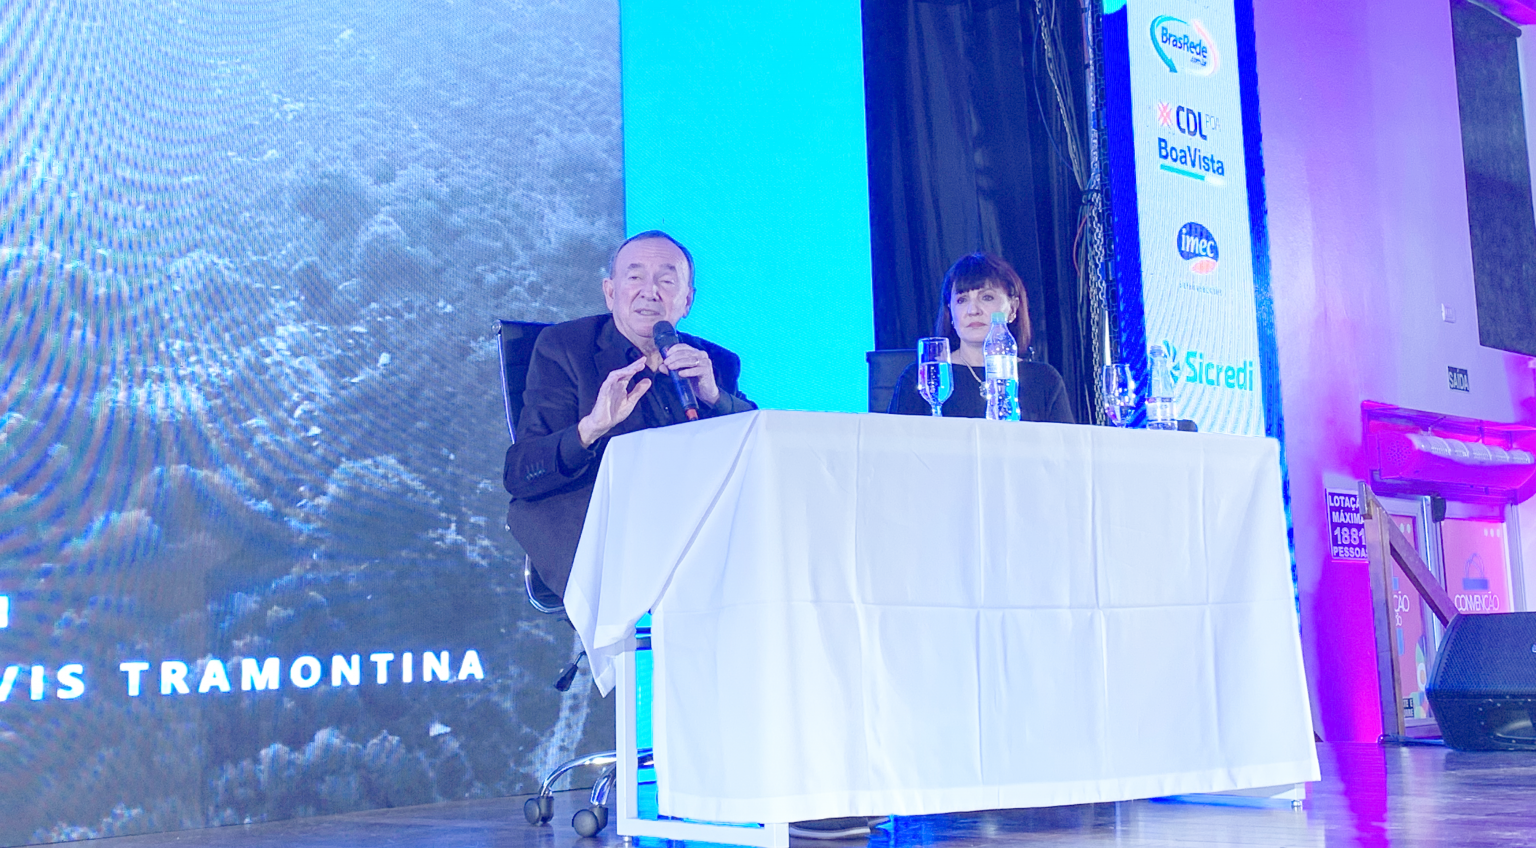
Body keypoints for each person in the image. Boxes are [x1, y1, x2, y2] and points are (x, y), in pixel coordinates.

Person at [504, 231, 755, 597]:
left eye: (666, 281)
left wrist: (715, 397)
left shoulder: (714, 362)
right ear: (610, 292)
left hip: (697, 530)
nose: (649, 291)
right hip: (606, 526)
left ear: (687, 300)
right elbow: (520, 473)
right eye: (635, 277)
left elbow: (758, 441)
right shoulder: (566, 349)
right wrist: (591, 428)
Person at [888, 252, 1074, 423]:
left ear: (1013, 308)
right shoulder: (922, 380)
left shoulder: (1044, 380)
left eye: (987, 297)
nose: (973, 310)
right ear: (950, 313)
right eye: (962, 300)